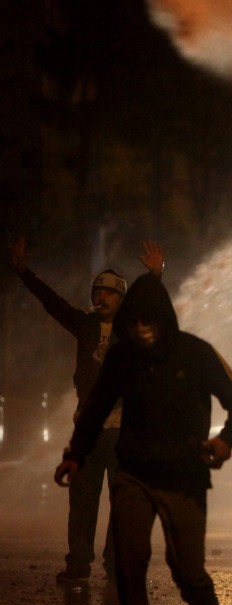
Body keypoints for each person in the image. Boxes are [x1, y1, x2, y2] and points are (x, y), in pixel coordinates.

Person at [54, 273, 232, 605]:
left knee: (188, 571)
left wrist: (228, 440)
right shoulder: (123, 357)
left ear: (165, 319)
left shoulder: (196, 353)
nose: (142, 330)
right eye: (136, 322)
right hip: (135, 475)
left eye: (151, 321)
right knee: (129, 568)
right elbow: (95, 408)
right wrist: (76, 453)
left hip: (185, 478)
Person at [9, 236, 165, 583]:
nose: (101, 296)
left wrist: (156, 276)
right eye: (97, 291)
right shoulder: (85, 326)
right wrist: (23, 272)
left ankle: (117, 565)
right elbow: (53, 303)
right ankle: (78, 564)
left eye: (109, 291)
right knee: (82, 501)